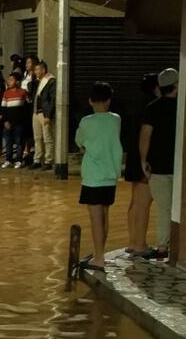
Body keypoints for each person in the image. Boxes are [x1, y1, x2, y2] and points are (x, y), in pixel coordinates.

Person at [130, 68, 180, 260]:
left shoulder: (152, 108)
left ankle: (162, 247)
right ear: (176, 86)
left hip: (157, 167)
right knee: (178, 208)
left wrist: (144, 160)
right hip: (180, 167)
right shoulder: (185, 106)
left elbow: (145, 135)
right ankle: (178, 246)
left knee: (164, 207)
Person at [75, 81, 125, 262]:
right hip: (110, 176)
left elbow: (79, 142)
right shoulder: (116, 119)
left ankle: (99, 257)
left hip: (93, 177)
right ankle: (100, 252)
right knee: (104, 215)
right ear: (109, 100)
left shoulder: (86, 122)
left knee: (95, 218)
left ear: (90, 101)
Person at [0, 68, 30, 172]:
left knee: (19, 142)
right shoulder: (6, 93)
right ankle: (8, 160)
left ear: (17, 82)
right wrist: (5, 121)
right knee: (8, 142)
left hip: (19, 122)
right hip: (8, 122)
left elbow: (27, 107)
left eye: (11, 80)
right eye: (8, 80)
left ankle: (19, 160)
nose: (9, 82)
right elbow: (3, 109)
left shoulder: (23, 92)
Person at [30, 58, 57, 170]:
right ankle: (37, 159)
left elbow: (52, 100)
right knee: (37, 138)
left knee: (47, 138)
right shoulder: (38, 81)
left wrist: (48, 115)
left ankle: (48, 160)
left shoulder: (51, 81)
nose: (35, 72)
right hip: (36, 113)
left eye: (37, 70)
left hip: (44, 113)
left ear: (43, 70)